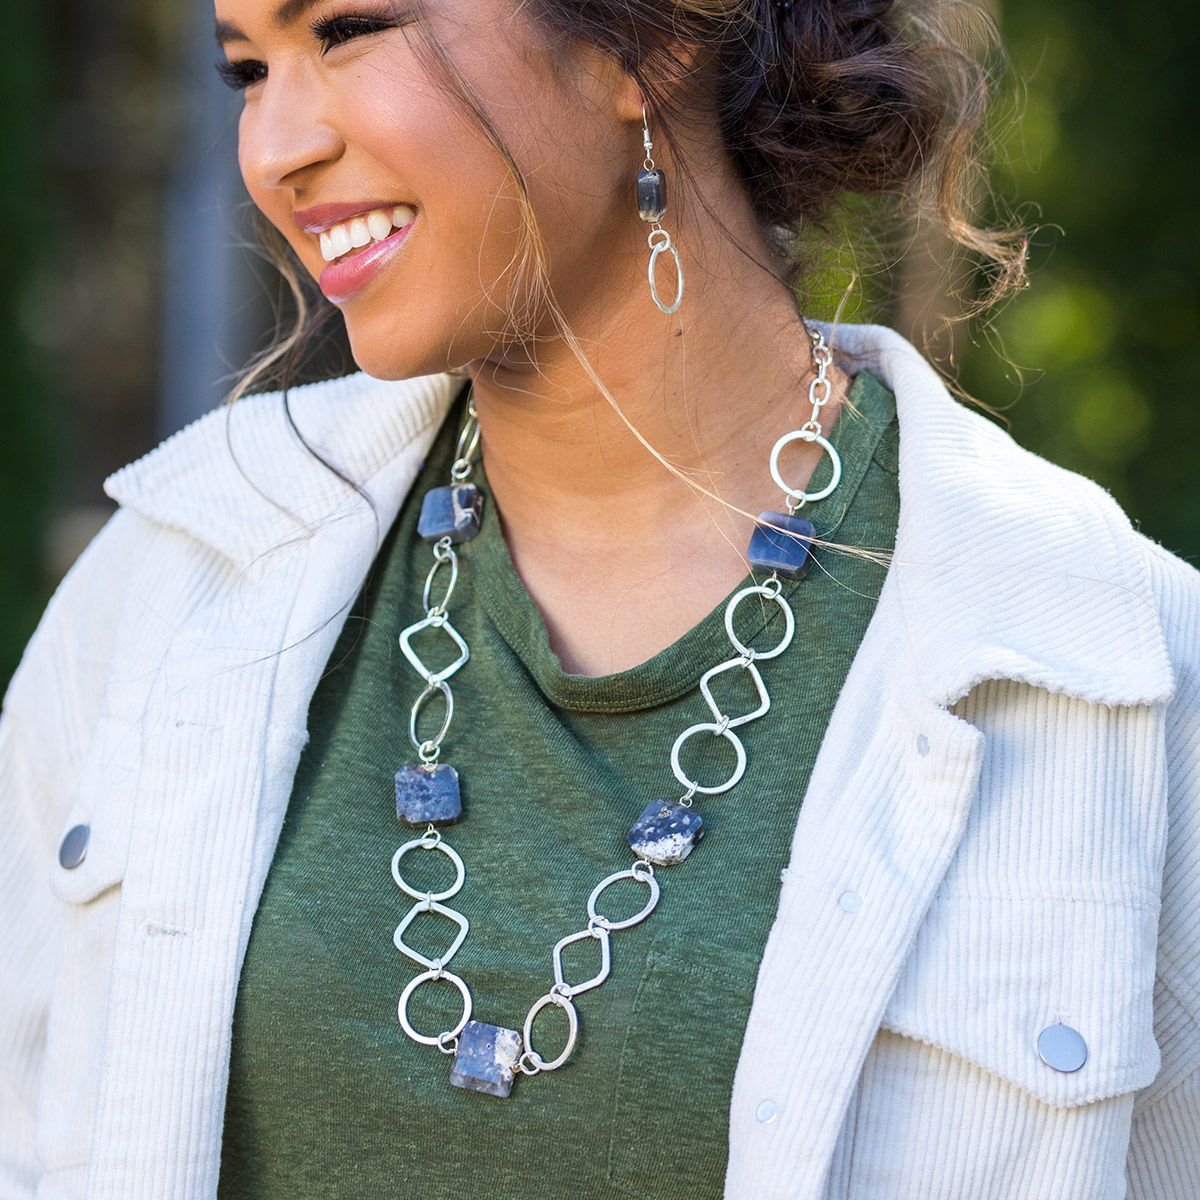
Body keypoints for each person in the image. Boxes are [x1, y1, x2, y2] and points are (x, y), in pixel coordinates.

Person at [2, 0, 1198, 1196]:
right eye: (249, 70)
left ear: (645, 45)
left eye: (352, 29)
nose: (274, 151)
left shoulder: (1112, 671)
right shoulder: (175, 574)